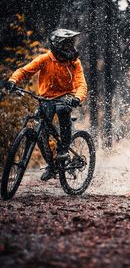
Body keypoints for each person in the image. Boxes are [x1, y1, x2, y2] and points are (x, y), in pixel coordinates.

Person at [5, 28, 88, 181]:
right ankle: (52, 165)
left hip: (67, 96)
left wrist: (77, 98)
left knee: (63, 108)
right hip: (46, 98)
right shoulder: (45, 59)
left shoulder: (74, 63)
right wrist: (12, 81)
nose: (71, 48)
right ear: (57, 46)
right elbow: (25, 71)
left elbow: (81, 84)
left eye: (72, 44)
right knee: (40, 131)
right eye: (67, 45)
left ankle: (63, 150)